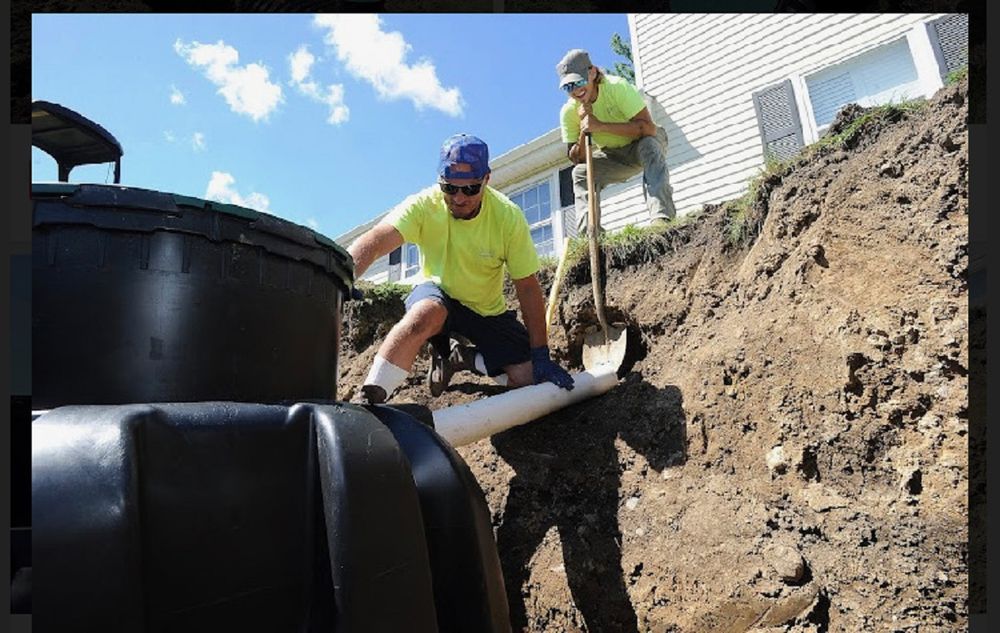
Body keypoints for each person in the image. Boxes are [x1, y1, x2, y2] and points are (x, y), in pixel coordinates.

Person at [348, 133, 575, 405]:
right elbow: (376, 240)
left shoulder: (508, 217)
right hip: (438, 295)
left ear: (486, 179)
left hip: (485, 311)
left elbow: (527, 288)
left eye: (470, 189)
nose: (458, 198)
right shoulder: (425, 205)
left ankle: (462, 357)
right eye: (449, 188)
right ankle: (369, 398)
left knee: (528, 377)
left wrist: (540, 353)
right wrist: (343, 274)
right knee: (424, 314)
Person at [556, 48, 677, 233]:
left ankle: (662, 219)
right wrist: (584, 128)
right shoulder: (569, 112)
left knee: (649, 145)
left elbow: (648, 128)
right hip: (613, 156)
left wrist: (600, 126)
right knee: (580, 172)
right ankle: (591, 235)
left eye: (579, 82)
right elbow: (578, 159)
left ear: (592, 73)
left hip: (643, 143)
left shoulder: (617, 87)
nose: (575, 90)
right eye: (568, 87)